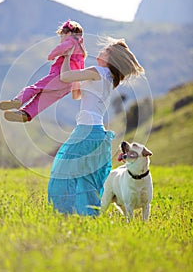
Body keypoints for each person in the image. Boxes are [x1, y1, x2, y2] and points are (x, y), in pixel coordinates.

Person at [48, 37, 145, 216]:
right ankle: (88, 215)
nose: (101, 52)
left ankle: (62, 212)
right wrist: (77, 72)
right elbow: (77, 95)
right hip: (97, 132)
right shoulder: (108, 77)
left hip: (86, 129)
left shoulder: (97, 71)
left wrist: (67, 56)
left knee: (62, 170)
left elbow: (64, 76)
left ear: (109, 58)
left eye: (105, 50)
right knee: (87, 178)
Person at [0, 20, 87, 122]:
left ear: (69, 33)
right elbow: (80, 72)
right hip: (68, 86)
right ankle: (25, 114)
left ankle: (18, 101)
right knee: (44, 100)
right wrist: (77, 88)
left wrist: (51, 56)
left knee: (35, 88)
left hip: (58, 77)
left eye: (62, 36)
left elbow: (60, 47)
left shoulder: (72, 41)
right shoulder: (81, 51)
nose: (61, 39)